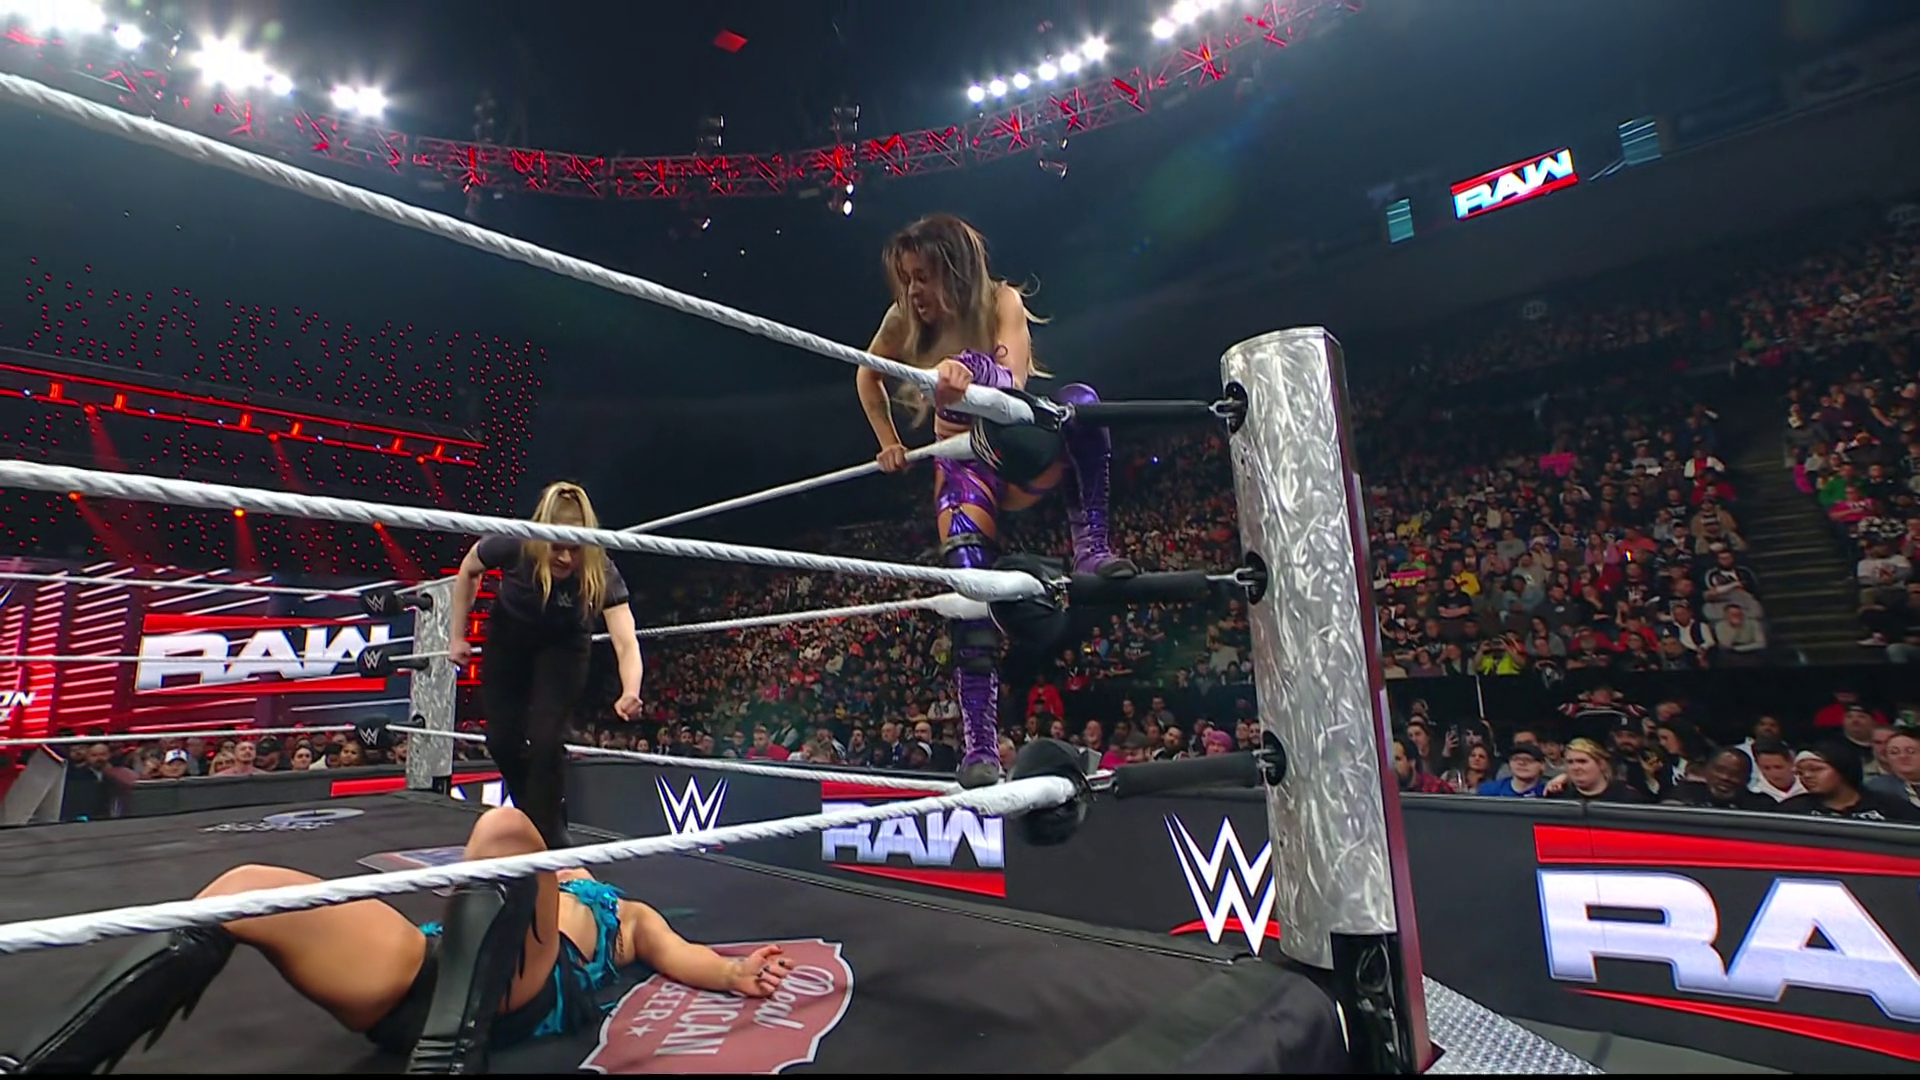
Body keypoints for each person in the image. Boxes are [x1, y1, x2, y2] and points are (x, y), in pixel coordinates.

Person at [2, 806, 794, 1075]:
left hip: (519, 993)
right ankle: (39, 1065)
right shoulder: (525, 867)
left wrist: (734, 973)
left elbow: (686, 960)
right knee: (243, 889)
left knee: (503, 828)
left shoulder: (627, 911)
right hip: (424, 971)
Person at [857, 213, 1136, 788]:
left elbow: (1010, 381)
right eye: (906, 278)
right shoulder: (902, 317)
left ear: (955, 270)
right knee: (970, 591)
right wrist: (888, 441)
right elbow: (868, 373)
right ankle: (980, 748)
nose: (913, 291)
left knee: (1084, 404)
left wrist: (970, 367)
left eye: (923, 276)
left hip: (1018, 449)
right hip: (963, 465)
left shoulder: (1002, 300)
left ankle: (1091, 544)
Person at [447, 481, 645, 848]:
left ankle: (549, 839)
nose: (566, 558)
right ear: (541, 538)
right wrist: (456, 634)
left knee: (547, 739)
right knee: (501, 741)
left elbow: (625, 638)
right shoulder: (515, 542)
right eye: (557, 547)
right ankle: (540, 819)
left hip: (563, 647)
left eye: (575, 549)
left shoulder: (599, 566)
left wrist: (630, 689)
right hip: (508, 639)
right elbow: (469, 568)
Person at [1661, 748, 1776, 811]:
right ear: (1706, 771)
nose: (1725, 777)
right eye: (1719, 770)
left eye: (1735, 774)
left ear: (1747, 779)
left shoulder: (1761, 806)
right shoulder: (1684, 793)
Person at [1544, 738, 1648, 803]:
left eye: (1582, 761)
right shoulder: (1558, 795)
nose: (1575, 767)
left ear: (1601, 764)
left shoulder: (1627, 797)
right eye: (1570, 762)